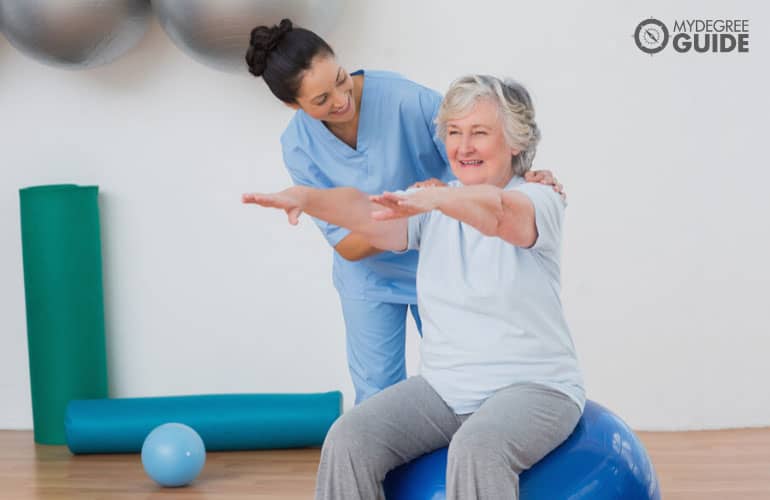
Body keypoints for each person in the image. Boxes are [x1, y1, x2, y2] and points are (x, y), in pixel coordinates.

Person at [243, 74, 584, 500]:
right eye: (454, 133)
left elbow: (499, 215)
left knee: (478, 448)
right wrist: (308, 198)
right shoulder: (434, 201)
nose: (462, 147)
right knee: (350, 437)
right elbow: (367, 214)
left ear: (515, 142)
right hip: (445, 390)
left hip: (535, 389)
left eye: (479, 133)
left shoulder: (538, 197)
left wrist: (440, 199)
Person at [245, 19, 565, 404]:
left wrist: (523, 174)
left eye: (341, 79)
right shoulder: (298, 146)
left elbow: (479, 155)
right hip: (370, 278)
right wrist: (405, 213)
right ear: (290, 105)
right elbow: (347, 244)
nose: (341, 99)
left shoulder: (406, 100)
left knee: (467, 385)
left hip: (448, 264)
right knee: (377, 395)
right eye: (321, 100)